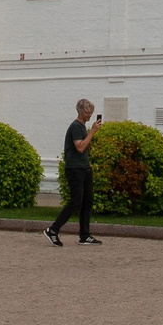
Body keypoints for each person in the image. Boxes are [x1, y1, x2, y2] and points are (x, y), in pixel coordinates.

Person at [45, 98, 102, 246]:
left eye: (91, 112)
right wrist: (93, 132)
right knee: (76, 201)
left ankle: (85, 235)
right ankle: (53, 230)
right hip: (75, 168)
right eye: (88, 112)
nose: (90, 115)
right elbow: (80, 147)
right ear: (81, 111)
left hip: (84, 167)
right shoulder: (76, 127)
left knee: (87, 201)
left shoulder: (82, 127)